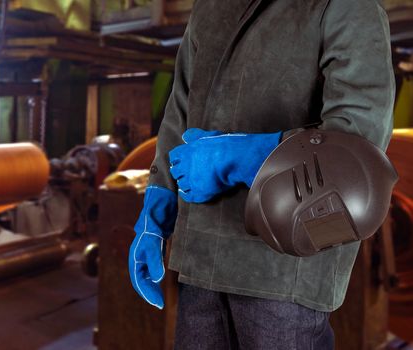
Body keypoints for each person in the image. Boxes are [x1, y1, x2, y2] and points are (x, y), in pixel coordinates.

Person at [128, 0, 395, 349]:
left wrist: (242, 157)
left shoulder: (344, 5)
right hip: (201, 257)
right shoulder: (209, 8)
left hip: (284, 268)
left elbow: (359, 141)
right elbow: (180, 112)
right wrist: (155, 214)